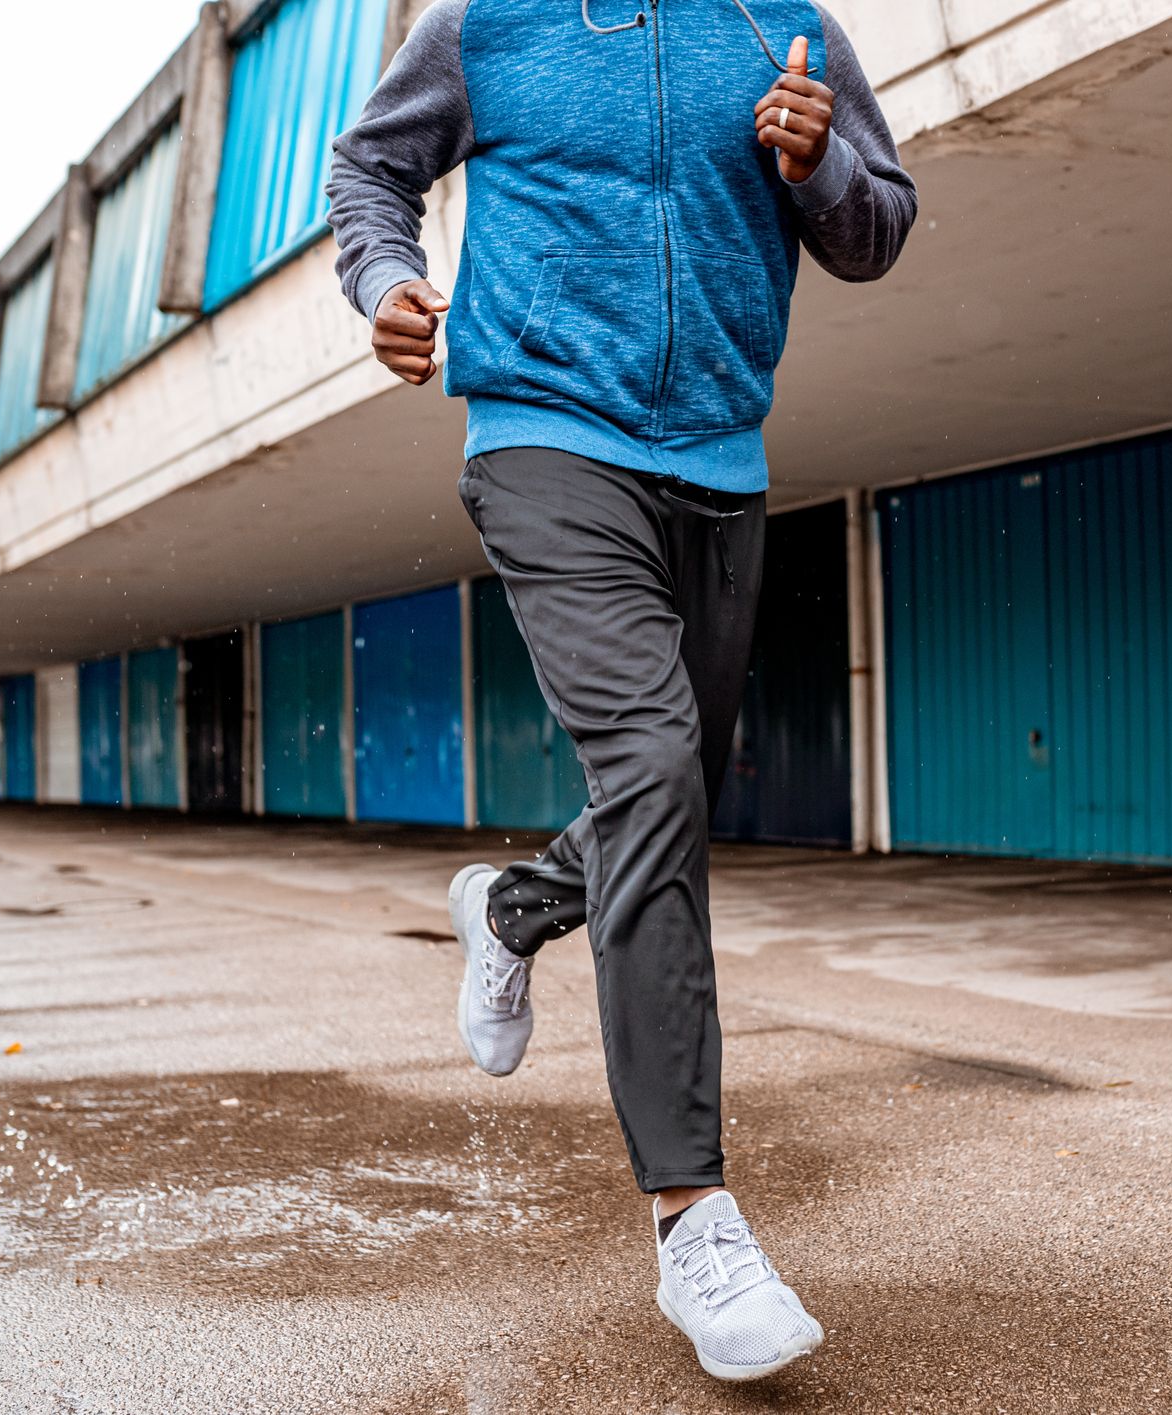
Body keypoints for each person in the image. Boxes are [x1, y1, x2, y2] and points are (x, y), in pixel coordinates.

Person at [326, 0, 915, 1381]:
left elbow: (876, 229)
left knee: (666, 793)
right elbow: (370, 166)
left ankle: (515, 903)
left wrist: (817, 161)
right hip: (540, 440)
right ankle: (694, 1218)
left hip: (718, 465)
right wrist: (386, 281)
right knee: (653, 774)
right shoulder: (493, 26)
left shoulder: (787, 31)